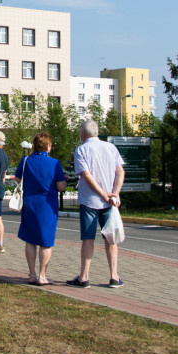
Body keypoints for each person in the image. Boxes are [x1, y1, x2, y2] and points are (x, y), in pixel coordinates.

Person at [67, 120, 125, 289]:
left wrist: (102, 194)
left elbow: (86, 175)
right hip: (110, 203)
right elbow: (120, 171)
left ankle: (84, 277)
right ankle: (114, 276)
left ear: (83, 134)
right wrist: (114, 193)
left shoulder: (81, 150)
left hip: (89, 201)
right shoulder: (111, 148)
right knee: (110, 238)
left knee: (87, 239)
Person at [14, 131, 67, 285]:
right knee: (46, 241)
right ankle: (42, 275)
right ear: (48, 146)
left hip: (30, 204)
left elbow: (17, 179)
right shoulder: (55, 163)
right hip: (47, 206)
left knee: (30, 240)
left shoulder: (25, 161)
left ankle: (31, 274)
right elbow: (61, 186)